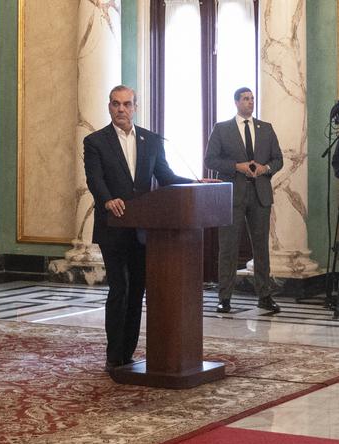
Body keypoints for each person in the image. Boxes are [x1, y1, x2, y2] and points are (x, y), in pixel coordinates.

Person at [84, 85, 193, 375]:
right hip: (114, 226)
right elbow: (95, 179)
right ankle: (113, 354)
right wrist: (108, 200)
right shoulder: (95, 141)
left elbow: (166, 177)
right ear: (109, 107)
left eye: (127, 104)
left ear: (135, 107)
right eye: (116, 104)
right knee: (120, 287)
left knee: (137, 291)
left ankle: (128, 354)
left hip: (145, 229)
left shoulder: (151, 140)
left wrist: (197, 183)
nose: (121, 109)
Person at [205, 87, 283, 314]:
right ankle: (225, 297)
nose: (250, 102)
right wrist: (235, 167)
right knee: (228, 247)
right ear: (236, 102)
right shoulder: (222, 129)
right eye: (246, 99)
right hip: (232, 195)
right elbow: (210, 159)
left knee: (261, 248)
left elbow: (278, 159)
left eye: (252, 99)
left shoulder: (266, 129)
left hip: (260, 194)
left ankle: (264, 296)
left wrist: (265, 168)